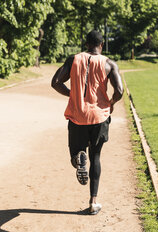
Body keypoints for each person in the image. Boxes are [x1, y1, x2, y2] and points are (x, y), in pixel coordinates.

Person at [51, 30, 123, 215]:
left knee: (76, 154)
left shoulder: (73, 59)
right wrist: (111, 103)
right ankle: (93, 202)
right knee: (96, 157)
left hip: (77, 115)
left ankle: (77, 159)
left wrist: (73, 95)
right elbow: (120, 91)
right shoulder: (109, 64)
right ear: (102, 44)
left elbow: (56, 82)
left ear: (86, 44)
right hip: (99, 117)